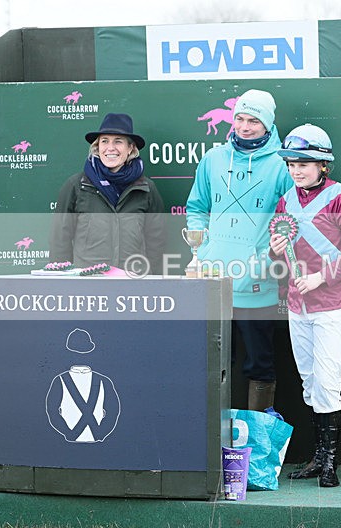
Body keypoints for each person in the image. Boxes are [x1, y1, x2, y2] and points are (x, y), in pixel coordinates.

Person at [269, 123, 341, 488]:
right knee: (310, 384)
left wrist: (319, 277)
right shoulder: (285, 201)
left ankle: (330, 464)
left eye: (304, 164)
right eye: (292, 164)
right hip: (299, 306)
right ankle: (316, 459)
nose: (296, 170)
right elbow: (279, 250)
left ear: (323, 165)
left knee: (327, 383)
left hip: (332, 305)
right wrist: (274, 250)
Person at [185, 89, 293, 412]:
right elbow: (196, 208)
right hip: (214, 283)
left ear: (268, 124)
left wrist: (266, 259)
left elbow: (291, 219)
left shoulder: (282, 166)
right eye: (241, 119)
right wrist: (203, 250)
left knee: (259, 365)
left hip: (258, 285)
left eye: (254, 121)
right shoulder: (213, 159)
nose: (245, 127)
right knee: (215, 364)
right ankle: (215, 446)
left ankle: (255, 448)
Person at [50, 113, 165, 273]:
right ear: (97, 147)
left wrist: (152, 283)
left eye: (118, 141)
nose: (111, 148)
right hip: (88, 287)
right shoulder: (76, 186)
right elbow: (59, 242)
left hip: (134, 285)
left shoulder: (146, 188)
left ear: (130, 147)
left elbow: (156, 244)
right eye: (105, 141)